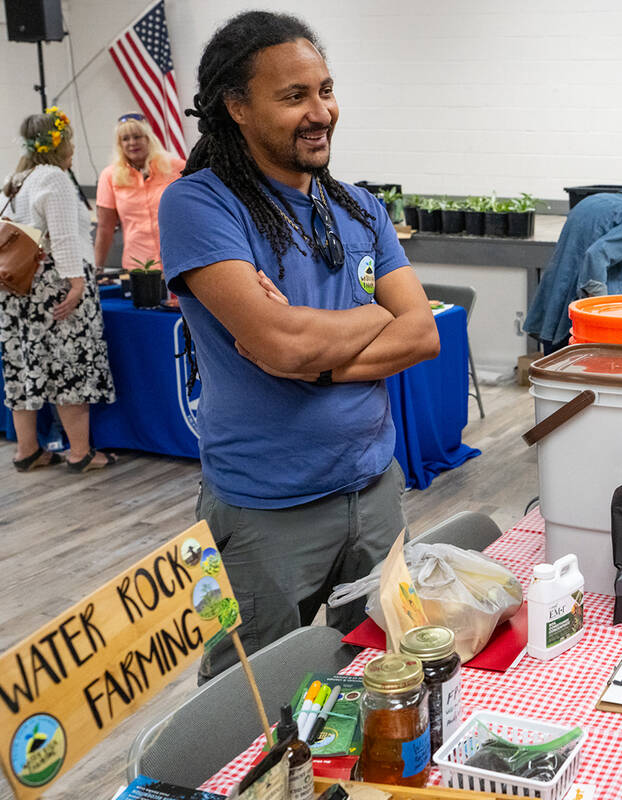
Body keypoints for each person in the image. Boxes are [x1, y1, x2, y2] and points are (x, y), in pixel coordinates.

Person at [158, 11, 440, 681]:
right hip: (265, 512)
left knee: (383, 680)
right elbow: (281, 344)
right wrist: (374, 317)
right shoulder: (200, 205)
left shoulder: (359, 209)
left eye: (326, 89)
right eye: (294, 97)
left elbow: (422, 332)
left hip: (374, 490)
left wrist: (316, 364)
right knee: (252, 708)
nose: (322, 112)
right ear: (237, 107)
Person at [1, 107, 116, 473]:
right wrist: (78, 284)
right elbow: (64, 235)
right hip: (56, 283)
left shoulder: (15, 178)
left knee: (24, 366)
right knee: (69, 366)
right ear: (61, 142)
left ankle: (28, 451)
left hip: (17, 288)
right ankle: (80, 452)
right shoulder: (54, 178)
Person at [523, 169, 622, 353]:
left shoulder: (592, 202)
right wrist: (601, 312)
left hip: (553, 307)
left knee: (556, 374)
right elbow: (596, 255)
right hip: (580, 323)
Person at [93, 114, 185, 271]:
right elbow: (105, 228)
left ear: (148, 138)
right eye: (125, 139)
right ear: (119, 144)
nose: (132, 143)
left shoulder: (177, 167)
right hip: (139, 266)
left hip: (181, 259)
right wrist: (98, 267)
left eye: (137, 137)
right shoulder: (109, 176)